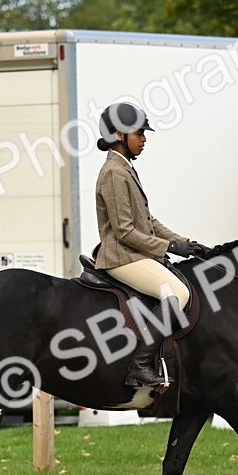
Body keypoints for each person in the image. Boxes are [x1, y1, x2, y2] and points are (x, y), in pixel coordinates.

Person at [93, 102, 207, 388]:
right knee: (176, 293)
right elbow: (125, 231)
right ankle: (140, 366)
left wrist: (184, 242)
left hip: (135, 254)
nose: (144, 140)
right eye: (140, 134)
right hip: (121, 256)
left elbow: (148, 221)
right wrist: (169, 249)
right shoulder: (114, 173)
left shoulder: (125, 169)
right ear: (119, 134)